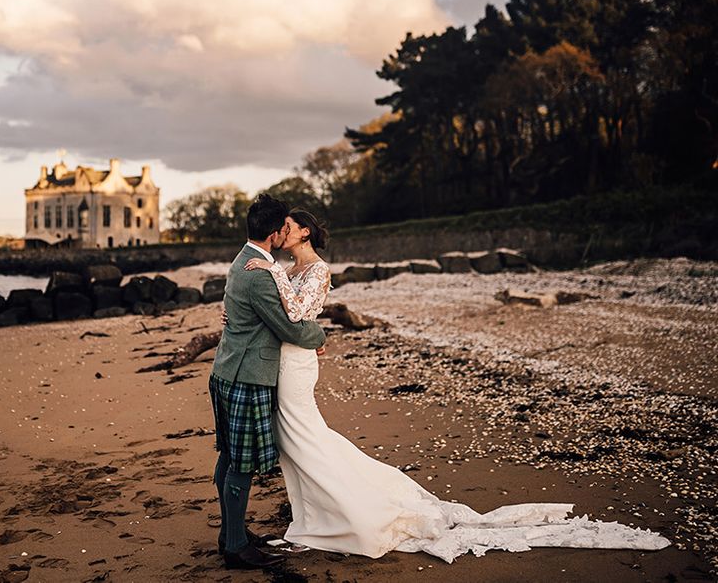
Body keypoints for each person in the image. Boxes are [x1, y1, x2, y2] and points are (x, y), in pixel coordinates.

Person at [241, 207, 672, 563]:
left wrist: (279, 286)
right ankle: (313, 519)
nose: (282, 232)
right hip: (284, 358)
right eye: (282, 228)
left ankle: (347, 516)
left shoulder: (317, 270)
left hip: (296, 366)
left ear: (306, 234)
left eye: (290, 227)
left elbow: (298, 313)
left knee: (302, 439)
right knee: (297, 441)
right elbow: (274, 313)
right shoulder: (282, 265)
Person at [209, 194, 326, 571]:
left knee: (229, 456)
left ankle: (232, 534)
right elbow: (288, 326)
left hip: (229, 369)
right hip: (246, 376)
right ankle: (236, 545)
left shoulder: (244, 259)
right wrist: (320, 337)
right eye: (284, 228)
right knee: (239, 463)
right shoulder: (260, 273)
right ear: (275, 233)